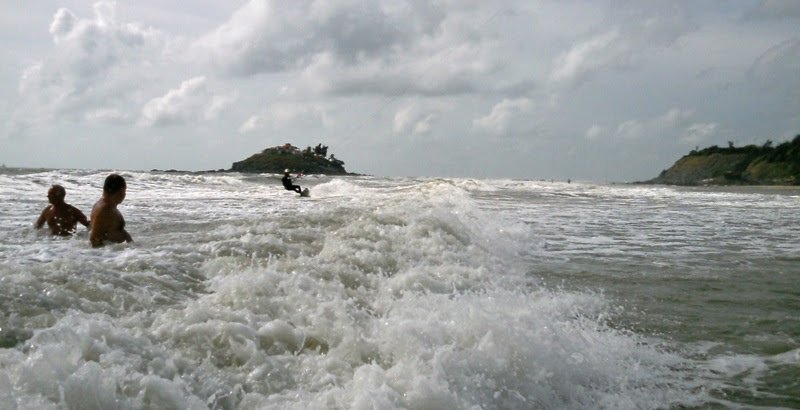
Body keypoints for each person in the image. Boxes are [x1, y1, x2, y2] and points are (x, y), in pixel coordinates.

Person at [90, 173, 132, 247]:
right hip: (109, 255)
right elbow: (94, 238)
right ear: (121, 191)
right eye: (125, 191)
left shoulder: (107, 206)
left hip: (114, 254)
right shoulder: (105, 209)